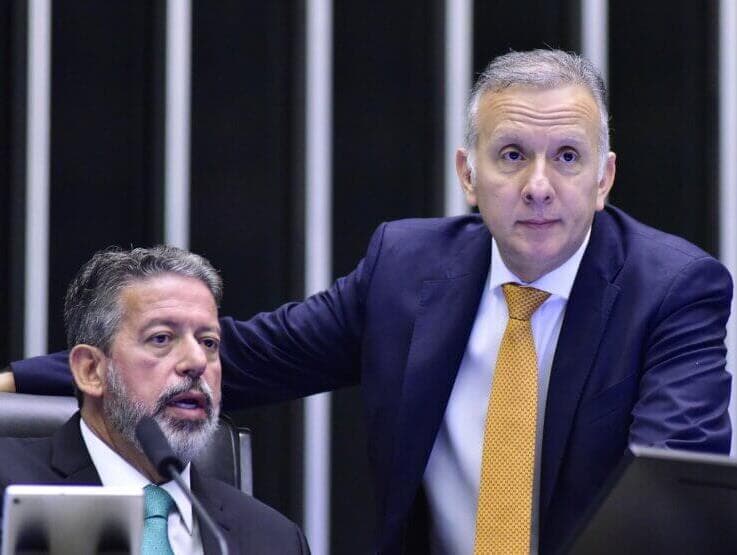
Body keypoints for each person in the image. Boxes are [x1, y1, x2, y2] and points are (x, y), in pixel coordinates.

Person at [1, 49, 732, 554]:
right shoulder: (408, 270)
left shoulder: (670, 290)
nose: (538, 185)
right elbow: (240, 358)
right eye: (511, 155)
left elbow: (667, 496)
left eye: (566, 157)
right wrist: (15, 379)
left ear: (604, 179)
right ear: (467, 175)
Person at [0, 246, 310, 554]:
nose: (196, 362)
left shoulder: (274, 539)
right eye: (161, 338)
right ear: (91, 370)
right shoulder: (7, 487)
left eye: (209, 343)